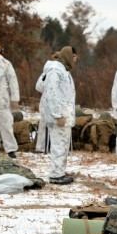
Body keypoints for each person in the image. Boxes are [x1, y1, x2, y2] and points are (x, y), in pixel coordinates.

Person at [40, 46, 78, 184]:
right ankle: (56, 175)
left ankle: (59, 172)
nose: (76, 59)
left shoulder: (62, 70)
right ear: (68, 55)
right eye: (74, 56)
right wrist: (58, 114)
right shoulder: (56, 71)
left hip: (64, 116)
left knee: (62, 145)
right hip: (59, 117)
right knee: (59, 145)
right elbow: (52, 94)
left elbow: (42, 86)